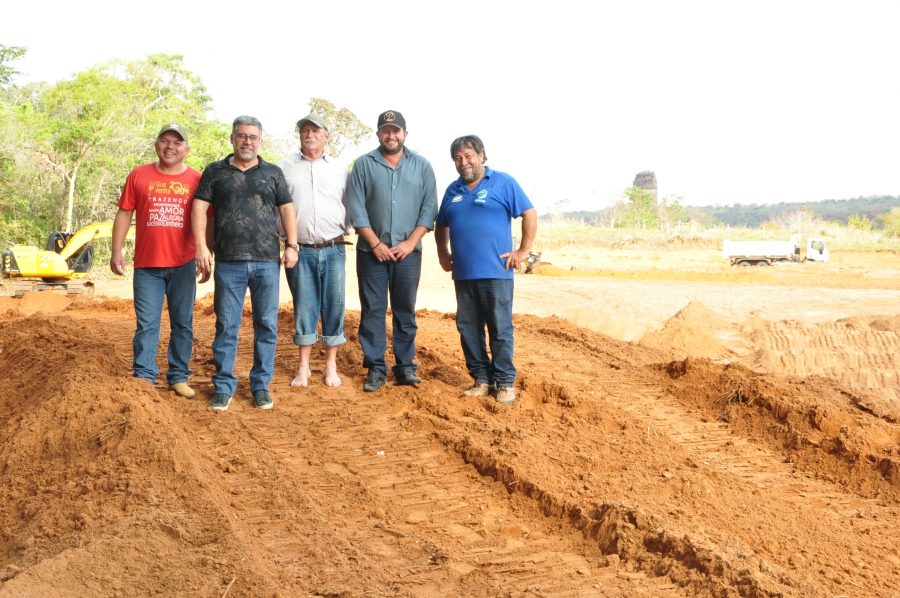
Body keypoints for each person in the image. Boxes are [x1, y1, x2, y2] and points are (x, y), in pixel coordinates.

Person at [192, 115, 298, 412]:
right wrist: (201, 247)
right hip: (228, 262)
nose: (246, 141)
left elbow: (287, 210)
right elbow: (199, 208)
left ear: (260, 141)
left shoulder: (273, 173)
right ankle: (223, 386)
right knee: (227, 325)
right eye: (241, 136)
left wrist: (292, 245)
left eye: (252, 137)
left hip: (267, 261)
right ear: (232, 138)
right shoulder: (215, 172)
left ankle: (260, 385)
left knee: (266, 325)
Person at [434, 135, 537, 405]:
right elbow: (440, 224)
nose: (463, 162)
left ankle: (504, 382)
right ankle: (481, 379)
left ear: (482, 156)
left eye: (468, 156)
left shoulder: (503, 183)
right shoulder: (452, 190)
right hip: (464, 273)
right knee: (468, 328)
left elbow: (529, 213)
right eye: (458, 158)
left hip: (497, 271)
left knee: (500, 328)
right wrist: (443, 253)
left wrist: (523, 252)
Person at [110, 123, 206, 399]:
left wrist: (205, 251)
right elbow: (125, 213)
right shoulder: (139, 175)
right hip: (147, 266)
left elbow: (205, 218)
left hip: (183, 264)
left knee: (183, 323)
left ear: (186, 150)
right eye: (165, 141)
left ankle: (178, 376)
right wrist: (116, 251)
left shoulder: (197, 179)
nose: (170, 147)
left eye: (177, 143)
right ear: (156, 145)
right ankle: (144, 377)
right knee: (147, 323)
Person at [347, 110, 438, 392]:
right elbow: (356, 207)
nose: (391, 135)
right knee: (373, 310)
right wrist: (375, 243)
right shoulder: (363, 165)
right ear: (378, 135)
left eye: (396, 130)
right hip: (370, 253)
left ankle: (405, 367)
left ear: (405, 134)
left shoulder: (422, 166)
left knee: (404, 310)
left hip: (408, 254)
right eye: (385, 131)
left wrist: (410, 242)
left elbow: (429, 207)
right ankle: (375, 368)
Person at [278, 113, 351, 387]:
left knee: (334, 304)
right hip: (300, 250)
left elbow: (349, 205)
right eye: (305, 130)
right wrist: (287, 241)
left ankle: (330, 365)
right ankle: (304, 367)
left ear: (326, 136)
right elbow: (278, 207)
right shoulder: (283, 168)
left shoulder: (341, 170)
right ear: (299, 136)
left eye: (315, 130)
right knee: (305, 306)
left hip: (333, 248)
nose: (309, 134)